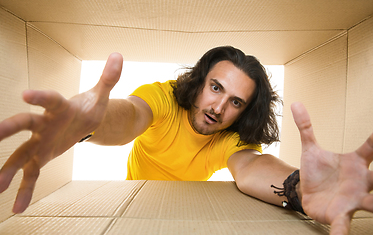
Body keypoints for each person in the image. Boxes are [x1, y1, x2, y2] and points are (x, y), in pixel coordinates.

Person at [0, 46, 372, 235]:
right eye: (215, 87)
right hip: (137, 210)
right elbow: (129, 115)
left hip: (186, 217)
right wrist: (84, 123)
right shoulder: (163, 98)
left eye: (235, 102)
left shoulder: (230, 138)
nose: (218, 107)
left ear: (243, 113)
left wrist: (303, 189)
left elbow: (251, 168)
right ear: (199, 80)